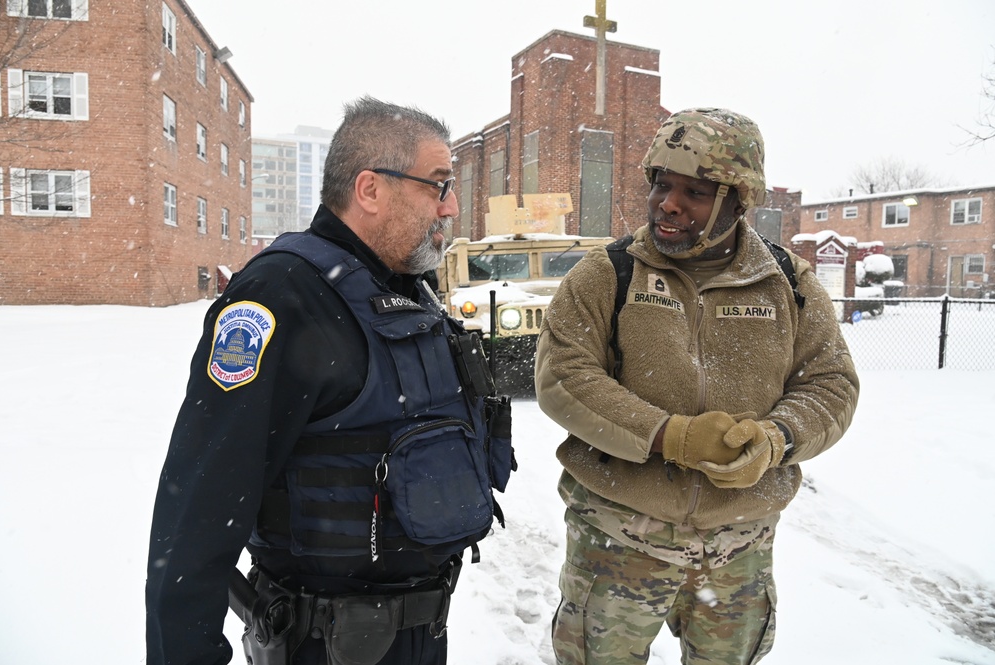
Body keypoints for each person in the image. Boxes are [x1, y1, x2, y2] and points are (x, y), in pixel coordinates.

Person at [146, 96, 513, 665]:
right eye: (438, 185)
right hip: (321, 642)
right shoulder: (282, 296)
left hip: (417, 635)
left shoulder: (406, 288)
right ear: (370, 189)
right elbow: (201, 501)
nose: (451, 208)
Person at [535, 107, 859, 664]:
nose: (669, 203)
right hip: (618, 541)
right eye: (662, 184)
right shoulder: (608, 273)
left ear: (739, 200)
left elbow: (831, 383)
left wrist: (775, 439)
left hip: (738, 550)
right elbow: (565, 375)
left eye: (696, 191)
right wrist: (671, 436)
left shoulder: (789, 284)